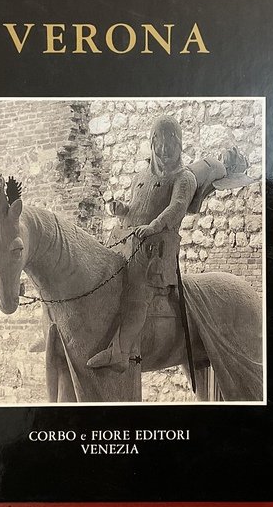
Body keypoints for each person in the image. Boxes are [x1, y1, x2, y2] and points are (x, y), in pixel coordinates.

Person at [87, 114, 229, 372]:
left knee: (137, 289)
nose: (164, 150)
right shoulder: (140, 177)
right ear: (152, 143)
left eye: (170, 145)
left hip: (157, 250)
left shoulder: (184, 178)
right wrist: (121, 209)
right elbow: (135, 209)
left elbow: (177, 207)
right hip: (126, 242)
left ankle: (119, 352)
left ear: (179, 145)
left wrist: (154, 225)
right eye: (160, 144)